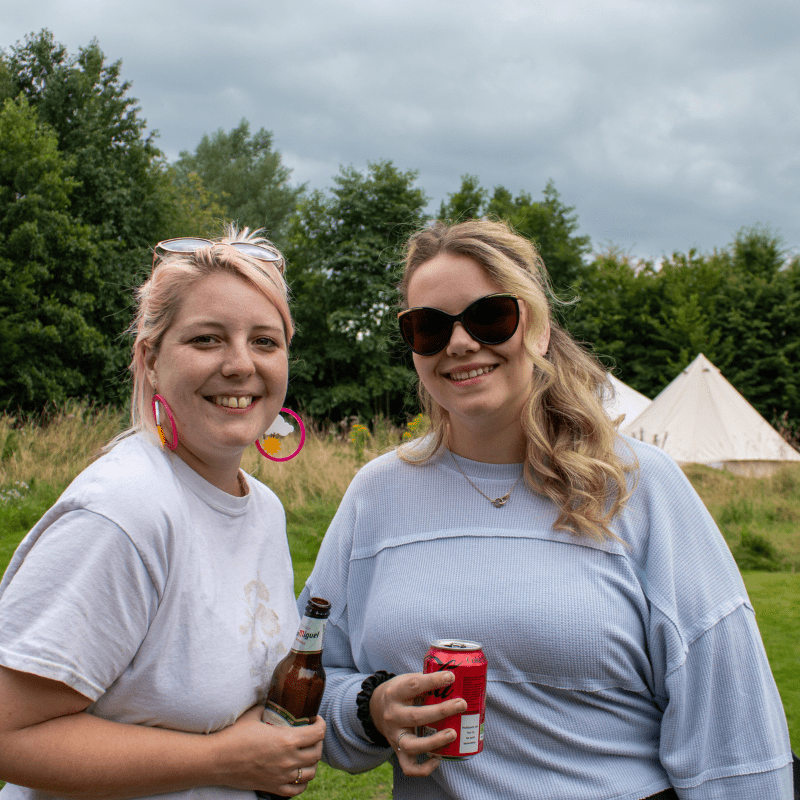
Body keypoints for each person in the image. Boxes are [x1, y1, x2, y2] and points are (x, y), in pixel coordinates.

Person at [298, 219, 794, 799]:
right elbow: (307, 678)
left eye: (489, 317)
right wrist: (371, 709)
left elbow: (731, 724)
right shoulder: (377, 493)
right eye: (428, 327)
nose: (459, 344)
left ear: (538, 327)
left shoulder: (636, 484)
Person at [0, 229, 324, 799]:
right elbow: (10, 734)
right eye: (206, 339)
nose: (240, 364)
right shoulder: (125, 512)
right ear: (150, 360)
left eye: (265, 341)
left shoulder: (264, 511)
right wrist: (223, 760)